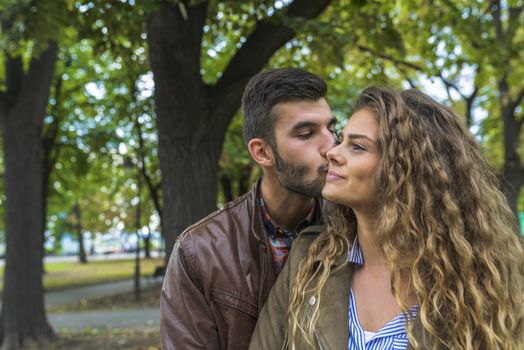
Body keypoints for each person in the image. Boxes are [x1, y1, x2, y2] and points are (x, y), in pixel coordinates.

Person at [250, 86, 524, 350]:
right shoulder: (310, 259)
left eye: (357, 147)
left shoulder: (484, 283)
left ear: (407, 169)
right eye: (342, 138)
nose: (332, 152)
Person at [160, 68, 338, 349]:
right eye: (306, 134)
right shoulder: (199, 251)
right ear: (262, 152)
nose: (332, 147)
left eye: (331, 128)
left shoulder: (354, 225)